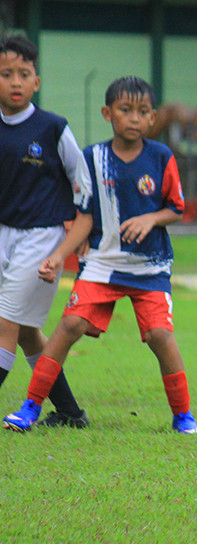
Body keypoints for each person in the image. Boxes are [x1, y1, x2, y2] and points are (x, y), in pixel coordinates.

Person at [3, 76, 197, 435]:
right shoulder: (92, 158)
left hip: (149, 267)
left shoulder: (161, 157)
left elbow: (176, 207)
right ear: (108, 113)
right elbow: (85, 217)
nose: (134, 118)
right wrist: (60, 255)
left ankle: (183, 416)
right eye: (126, 110)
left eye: (143, 112)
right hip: (102, 264)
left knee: (160, 335)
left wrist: (150, 218)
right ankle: (30, 407)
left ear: (153, 118)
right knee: (69, 326)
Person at [0, 33, 88, 428]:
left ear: (37, 81)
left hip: (41, 238)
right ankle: (70, 412)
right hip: (3, 234)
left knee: (4, 324)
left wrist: (70, 246)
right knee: (26, 332)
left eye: (24, 73)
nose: (15, 81)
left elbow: (84, 193)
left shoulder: (53, 128)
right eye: (5, 74)